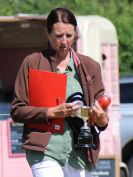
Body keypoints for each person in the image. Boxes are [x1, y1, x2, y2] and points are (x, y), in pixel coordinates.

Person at [10, 7, 109, 177]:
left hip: (80, 152)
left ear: (76, 34)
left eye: (69, 36)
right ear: (47, 34)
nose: (64, 41)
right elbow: (17, 110)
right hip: (44, 150)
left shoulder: (90, 67)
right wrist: (51, 112)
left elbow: (103, 118)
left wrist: (101, 119)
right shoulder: (32, 63)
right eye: (58, 36)